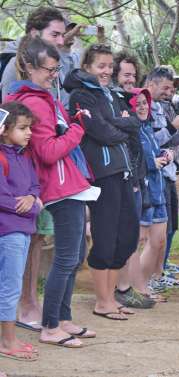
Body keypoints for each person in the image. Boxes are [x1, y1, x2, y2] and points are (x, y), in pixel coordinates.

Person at [7, 36, 97, 346]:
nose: (54, 74)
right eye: (49, 69)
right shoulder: (34, 101)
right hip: (58, 186)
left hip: (67, 183)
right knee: (67, 257)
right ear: (29, 67)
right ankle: (50, 326)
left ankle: (64, 318)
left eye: (57, 68)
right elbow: (46, 152)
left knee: (74, 255)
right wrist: (77, 129)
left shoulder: (45, 97)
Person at [1, 6, 66, 334]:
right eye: (55, 34)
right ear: (33, 35)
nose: (61, 40)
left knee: (37, 237)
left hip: (40, 173)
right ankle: (24, 306)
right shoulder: (17, 72)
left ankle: (29, 301)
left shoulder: (51, 72)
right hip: (21, 173)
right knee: (23, 239)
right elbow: (8, 121)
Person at [65, 44, 139, 320]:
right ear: (87, 68)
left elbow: (133, 123)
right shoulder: (81, 95)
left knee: (128, 235)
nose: (107, 71)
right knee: (105, 236)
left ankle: (110, 298)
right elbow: (100, 131)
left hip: (123, 171)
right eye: (101, 66)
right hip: (102, 174)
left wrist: (117, 122)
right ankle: (103, 301)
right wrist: (118, 124)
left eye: (110, 66)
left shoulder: (111, 94)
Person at [110, 52, 156, 310]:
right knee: (123, 237)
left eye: (133, 75)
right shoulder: (115, 103)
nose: (130, 79)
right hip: (121, 178)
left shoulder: (129, 104)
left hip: (135, 178)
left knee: (133, 237)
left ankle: (127, 288)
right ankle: (117, 290)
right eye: (126, 74)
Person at [145, 66, 179, 288]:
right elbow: (152, 141)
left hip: (169, 171)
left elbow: (172, 141)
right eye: (166, 87)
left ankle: (159, 270)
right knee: (156, 231)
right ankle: (151, 276)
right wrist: (173, 127)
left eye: (171, 88)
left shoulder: (166, 107)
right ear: (152, 84)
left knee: (169, 228)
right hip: (156, 174)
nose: (169, 92)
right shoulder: (145, 107)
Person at [0, 102, 41, 361]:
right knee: (10, 287)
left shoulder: (24, 157)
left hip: (23, 229)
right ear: (4, 130)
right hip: (9, 231)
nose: (29, 133)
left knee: (10, 285)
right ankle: (8, 341)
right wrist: (30, 205)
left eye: (30, 128)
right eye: (23, 128)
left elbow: (35, 186)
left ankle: (9, 337)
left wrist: (32, 199)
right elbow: (5, 198)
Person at [129, 88, 170, 304]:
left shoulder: (147, 128)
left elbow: (153, 155)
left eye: (145, 102)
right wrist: (150, 164)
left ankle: (144, 285)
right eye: (138, 103)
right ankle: (138, 289)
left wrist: (165, 155)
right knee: (139, 240)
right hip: (143, 192)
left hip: (158, 190)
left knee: (158, 240)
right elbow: (133, 160)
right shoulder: (131, 131)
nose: (142, 107)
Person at [1, 7, 65, 102]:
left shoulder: (53, 61)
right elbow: (10, 111)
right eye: (55, 35)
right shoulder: (17, 64)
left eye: (63, 35)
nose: (61, 42)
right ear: (34, 34)